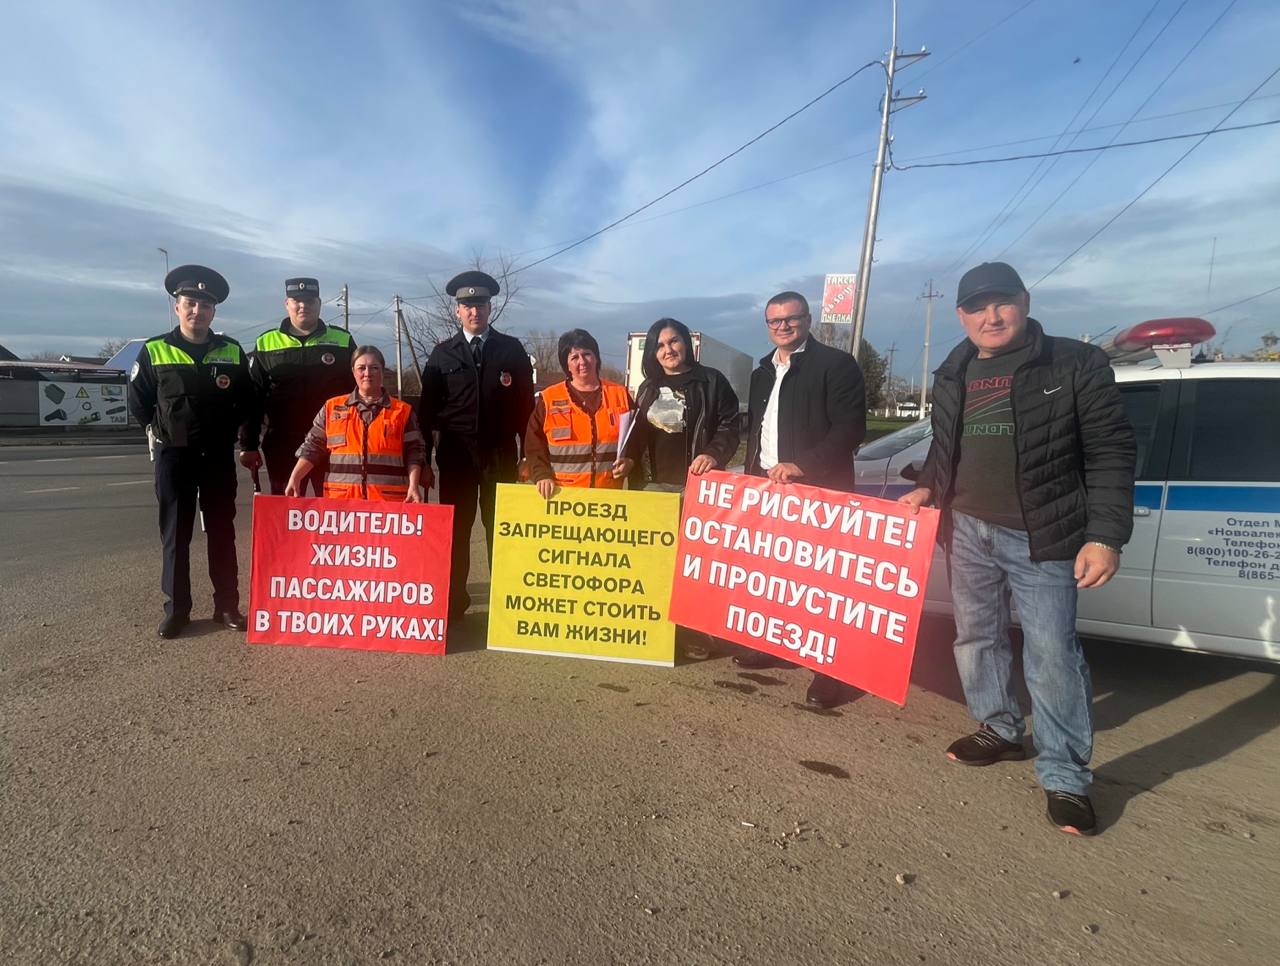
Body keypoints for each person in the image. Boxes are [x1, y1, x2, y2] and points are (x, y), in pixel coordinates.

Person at [898, 261, 1136, 837]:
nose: (991, 316)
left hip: (1044, 534)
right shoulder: (953, 370)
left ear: (1025, 302)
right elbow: (945, 447)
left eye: (1002, 302)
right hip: (966, 529)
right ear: (961, 315)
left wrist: (1105, 536)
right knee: (976, 637)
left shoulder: (1074, 363)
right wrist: (928, 485)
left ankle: (1065, 776)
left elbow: (1111, 451)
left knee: (1052, 654)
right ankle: (1000, 728)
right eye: (977, 307)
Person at [738, 290, 867, 709]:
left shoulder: (836, 365)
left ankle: (829, 672)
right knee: (776, 578)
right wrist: (752, 477)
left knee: (821, 586)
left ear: (808, 320)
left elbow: (850, 429)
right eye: (774, 321)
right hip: (770, 492)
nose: (783, 326)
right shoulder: (762, 371)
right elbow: (758, 430)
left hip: (819, 492)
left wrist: (803, 465)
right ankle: (776, 646)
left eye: (791, 319)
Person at [127, 265, 255, 639]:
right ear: (177, 307)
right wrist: (161, 431)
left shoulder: (231, 350)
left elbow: (247, 401)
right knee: (176, 535)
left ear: (214, 311)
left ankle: (227, 606)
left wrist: (233, 434)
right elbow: (139, 402)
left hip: (216, 457)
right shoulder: (154, 350)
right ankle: (177, 610)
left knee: (222, 532)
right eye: (190, 303)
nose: (197, 310)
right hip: (175, 457)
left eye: (205, 305)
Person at [418, 270, 534, 621]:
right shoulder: (442, 353)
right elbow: (426, 413)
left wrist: (527, 456)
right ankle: (454, 604)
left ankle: (505, 605)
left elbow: (526, 409)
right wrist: (422, 461)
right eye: (467, 305)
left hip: (500, 454)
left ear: (490, 308)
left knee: (501, 529)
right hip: (457, 456)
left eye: (480, 304)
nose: (474, 311)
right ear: (458, 310)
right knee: (456, 531)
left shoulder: (511, 349)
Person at [238, 277, 356, 495]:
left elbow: (357, 393)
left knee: (333, 507)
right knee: (286, 508)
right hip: (282, 443)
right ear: (287, 304)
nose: (303, 306)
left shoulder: (342, 340)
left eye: (310, 301)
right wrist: (249, 445)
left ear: (319, 304)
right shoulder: (266, 343)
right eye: (297, 301)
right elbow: (253, 398)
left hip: (332, 442)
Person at [287, 346, 426, 501]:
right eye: (361, 368)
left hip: (388, 503)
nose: (367, 373)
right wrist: (296, 476)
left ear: (382, 371)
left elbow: (414, 452)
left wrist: (414, 485)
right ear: (353, 372)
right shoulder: (331, 408)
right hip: (341, 503)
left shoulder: (402, 411)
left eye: (374, 368)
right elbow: (313, 446)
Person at [618, 317, 740, 490]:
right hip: (650, 485)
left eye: (673, 341)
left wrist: (713, 454)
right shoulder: (648, 387)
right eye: (660, 346)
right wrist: (629, 459)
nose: (668, 350)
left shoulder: (712, 381)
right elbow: (636, 434)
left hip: (697, 482)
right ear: (653, 353)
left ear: (686, 342)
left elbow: (731, 425)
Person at [524, 328, 633, 498]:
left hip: (608, 497)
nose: (582, 361)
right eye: (574, 357)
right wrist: (541, 474)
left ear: (596, 358)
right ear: (566, 364)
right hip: (562, 497)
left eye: (587, 354)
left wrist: (631, 460)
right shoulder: (549, 399)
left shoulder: (621, 394)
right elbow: (533, 443)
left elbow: (637, 437)